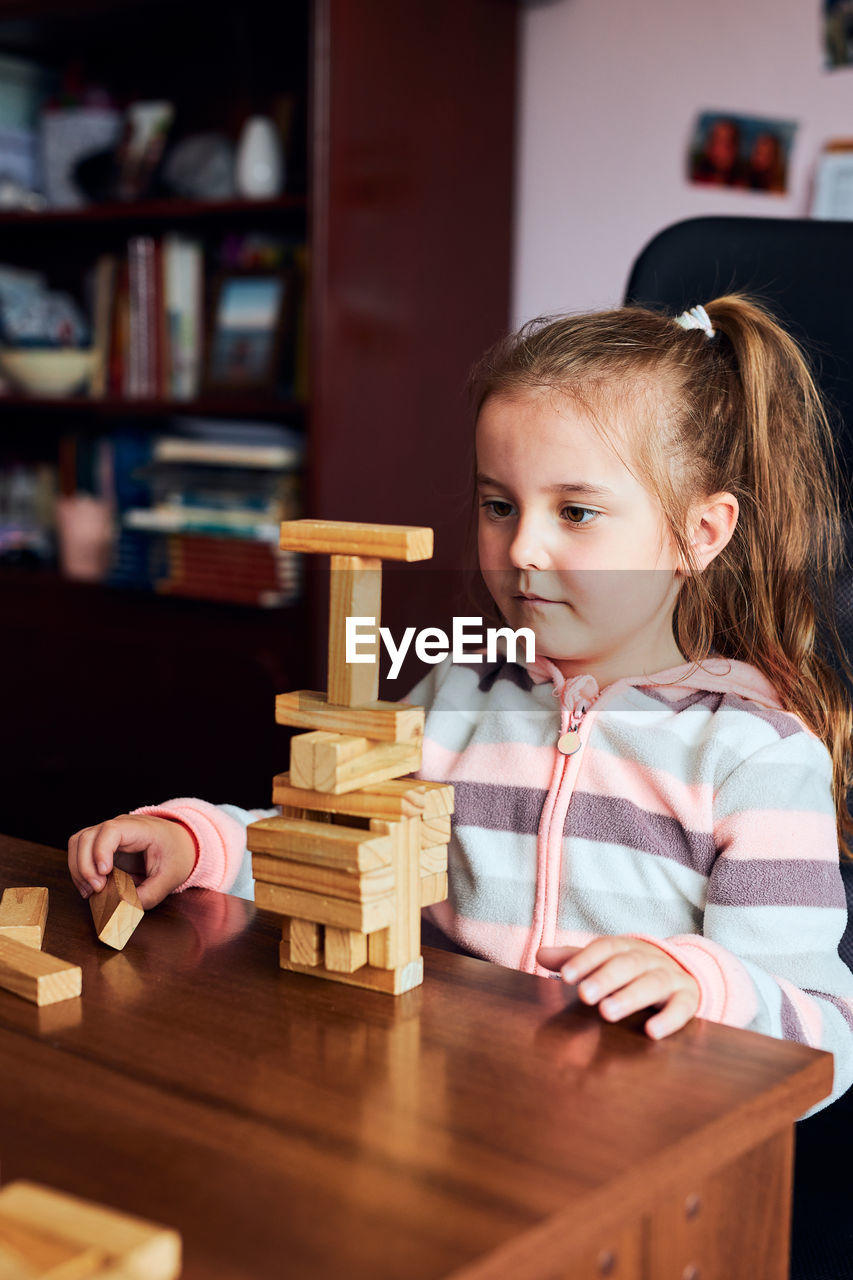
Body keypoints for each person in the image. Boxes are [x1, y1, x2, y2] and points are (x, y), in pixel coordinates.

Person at [68, 294, 853, 1113]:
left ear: (701, 533)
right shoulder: (451, 695)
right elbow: (339, 851)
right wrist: (198, 844)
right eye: (498, 505)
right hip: (442, 1119)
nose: (521, 549)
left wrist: (705, 985)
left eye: (575, 512)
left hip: (633, 1161)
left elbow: (825, 1044)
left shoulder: (752, 758)